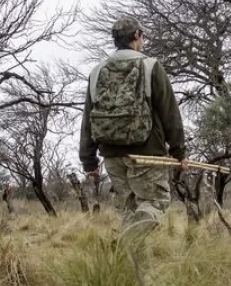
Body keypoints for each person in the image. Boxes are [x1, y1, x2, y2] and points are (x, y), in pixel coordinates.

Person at [79, 17, 188, 230]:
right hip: (147, 153)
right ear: (137, 35)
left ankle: (127, 248)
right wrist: (179, 152)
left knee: (127, 210)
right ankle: (134, 235)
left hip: (112, 155)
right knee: (155, 203)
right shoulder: (150, 66)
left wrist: (88, 160)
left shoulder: (97, 71)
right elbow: (170, 112)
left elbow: (88, 117)